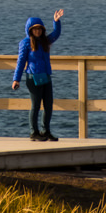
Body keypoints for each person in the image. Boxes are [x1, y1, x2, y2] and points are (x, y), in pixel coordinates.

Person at [11, 10, 64, 141]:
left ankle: (45, 131)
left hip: (46, 77)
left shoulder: (45, 41)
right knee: (35, 106)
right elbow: (21, 62)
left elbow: (56, 34)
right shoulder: (25, 43)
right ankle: (33, 132)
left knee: (48, 105)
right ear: (30, 30)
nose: (38, 31)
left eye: (40, 29)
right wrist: (16, 79)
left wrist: (56, 22)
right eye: (35, 29)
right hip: (32, 78)